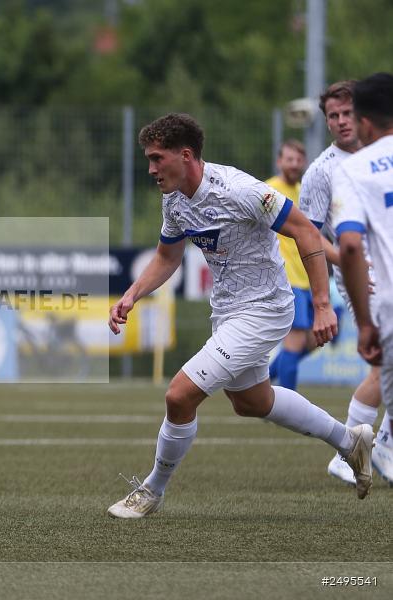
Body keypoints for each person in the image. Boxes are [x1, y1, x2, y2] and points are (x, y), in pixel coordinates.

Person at [106, 113, 374, 519]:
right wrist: (133, 294)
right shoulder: (174, 199)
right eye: (149, 159)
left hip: (265, 308)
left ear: (186, 154)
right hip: (228, 311)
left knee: (179, 395)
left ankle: (151, 491)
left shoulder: (242, 190)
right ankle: (349, 440)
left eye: (158, 159)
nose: (151, 169)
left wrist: (322, 304)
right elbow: (167, 256)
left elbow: (305, 230)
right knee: (252, 402)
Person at [298, 79, 393, 485]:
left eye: (346, 113)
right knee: (383, 364)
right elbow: (307, 231)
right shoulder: (324, 171)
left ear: (363, 117)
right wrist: (345, 261)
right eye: (332, 116)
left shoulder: (376, 157)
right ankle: (358, 450)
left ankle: (368, 447)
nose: (341, 122)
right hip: (365, 282)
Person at [335, 72, 393, 487]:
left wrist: (365, 321)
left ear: (365, 123)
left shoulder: (353, 169)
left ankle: (375, 453)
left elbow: (351, 246)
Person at [265, 140, 313, 389]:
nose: (294, 164)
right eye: (289, 159)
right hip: (287, 280)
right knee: (295, 341)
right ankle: (288, 406)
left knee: (320, 336)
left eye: (298, 159)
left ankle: (270, 378)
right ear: (279, 161)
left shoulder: (304, 190)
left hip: (308, 279)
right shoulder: (268, 190)